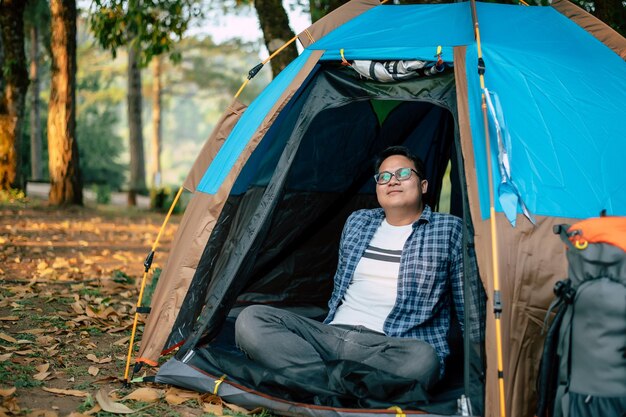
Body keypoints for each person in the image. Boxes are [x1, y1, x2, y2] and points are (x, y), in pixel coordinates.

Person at [235, 145, 467, 390]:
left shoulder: (449, 229)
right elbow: (339, 289)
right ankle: (346, 387)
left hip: (389, 346)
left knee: (423, 360)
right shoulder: (358, 221)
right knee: (251, 319)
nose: (392, 181)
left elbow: (467, 308)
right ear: (377, 187)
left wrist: (482, 366)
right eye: (384, 176)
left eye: (403, 174)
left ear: (423, 186)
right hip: (330, 336)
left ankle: (315, 383)